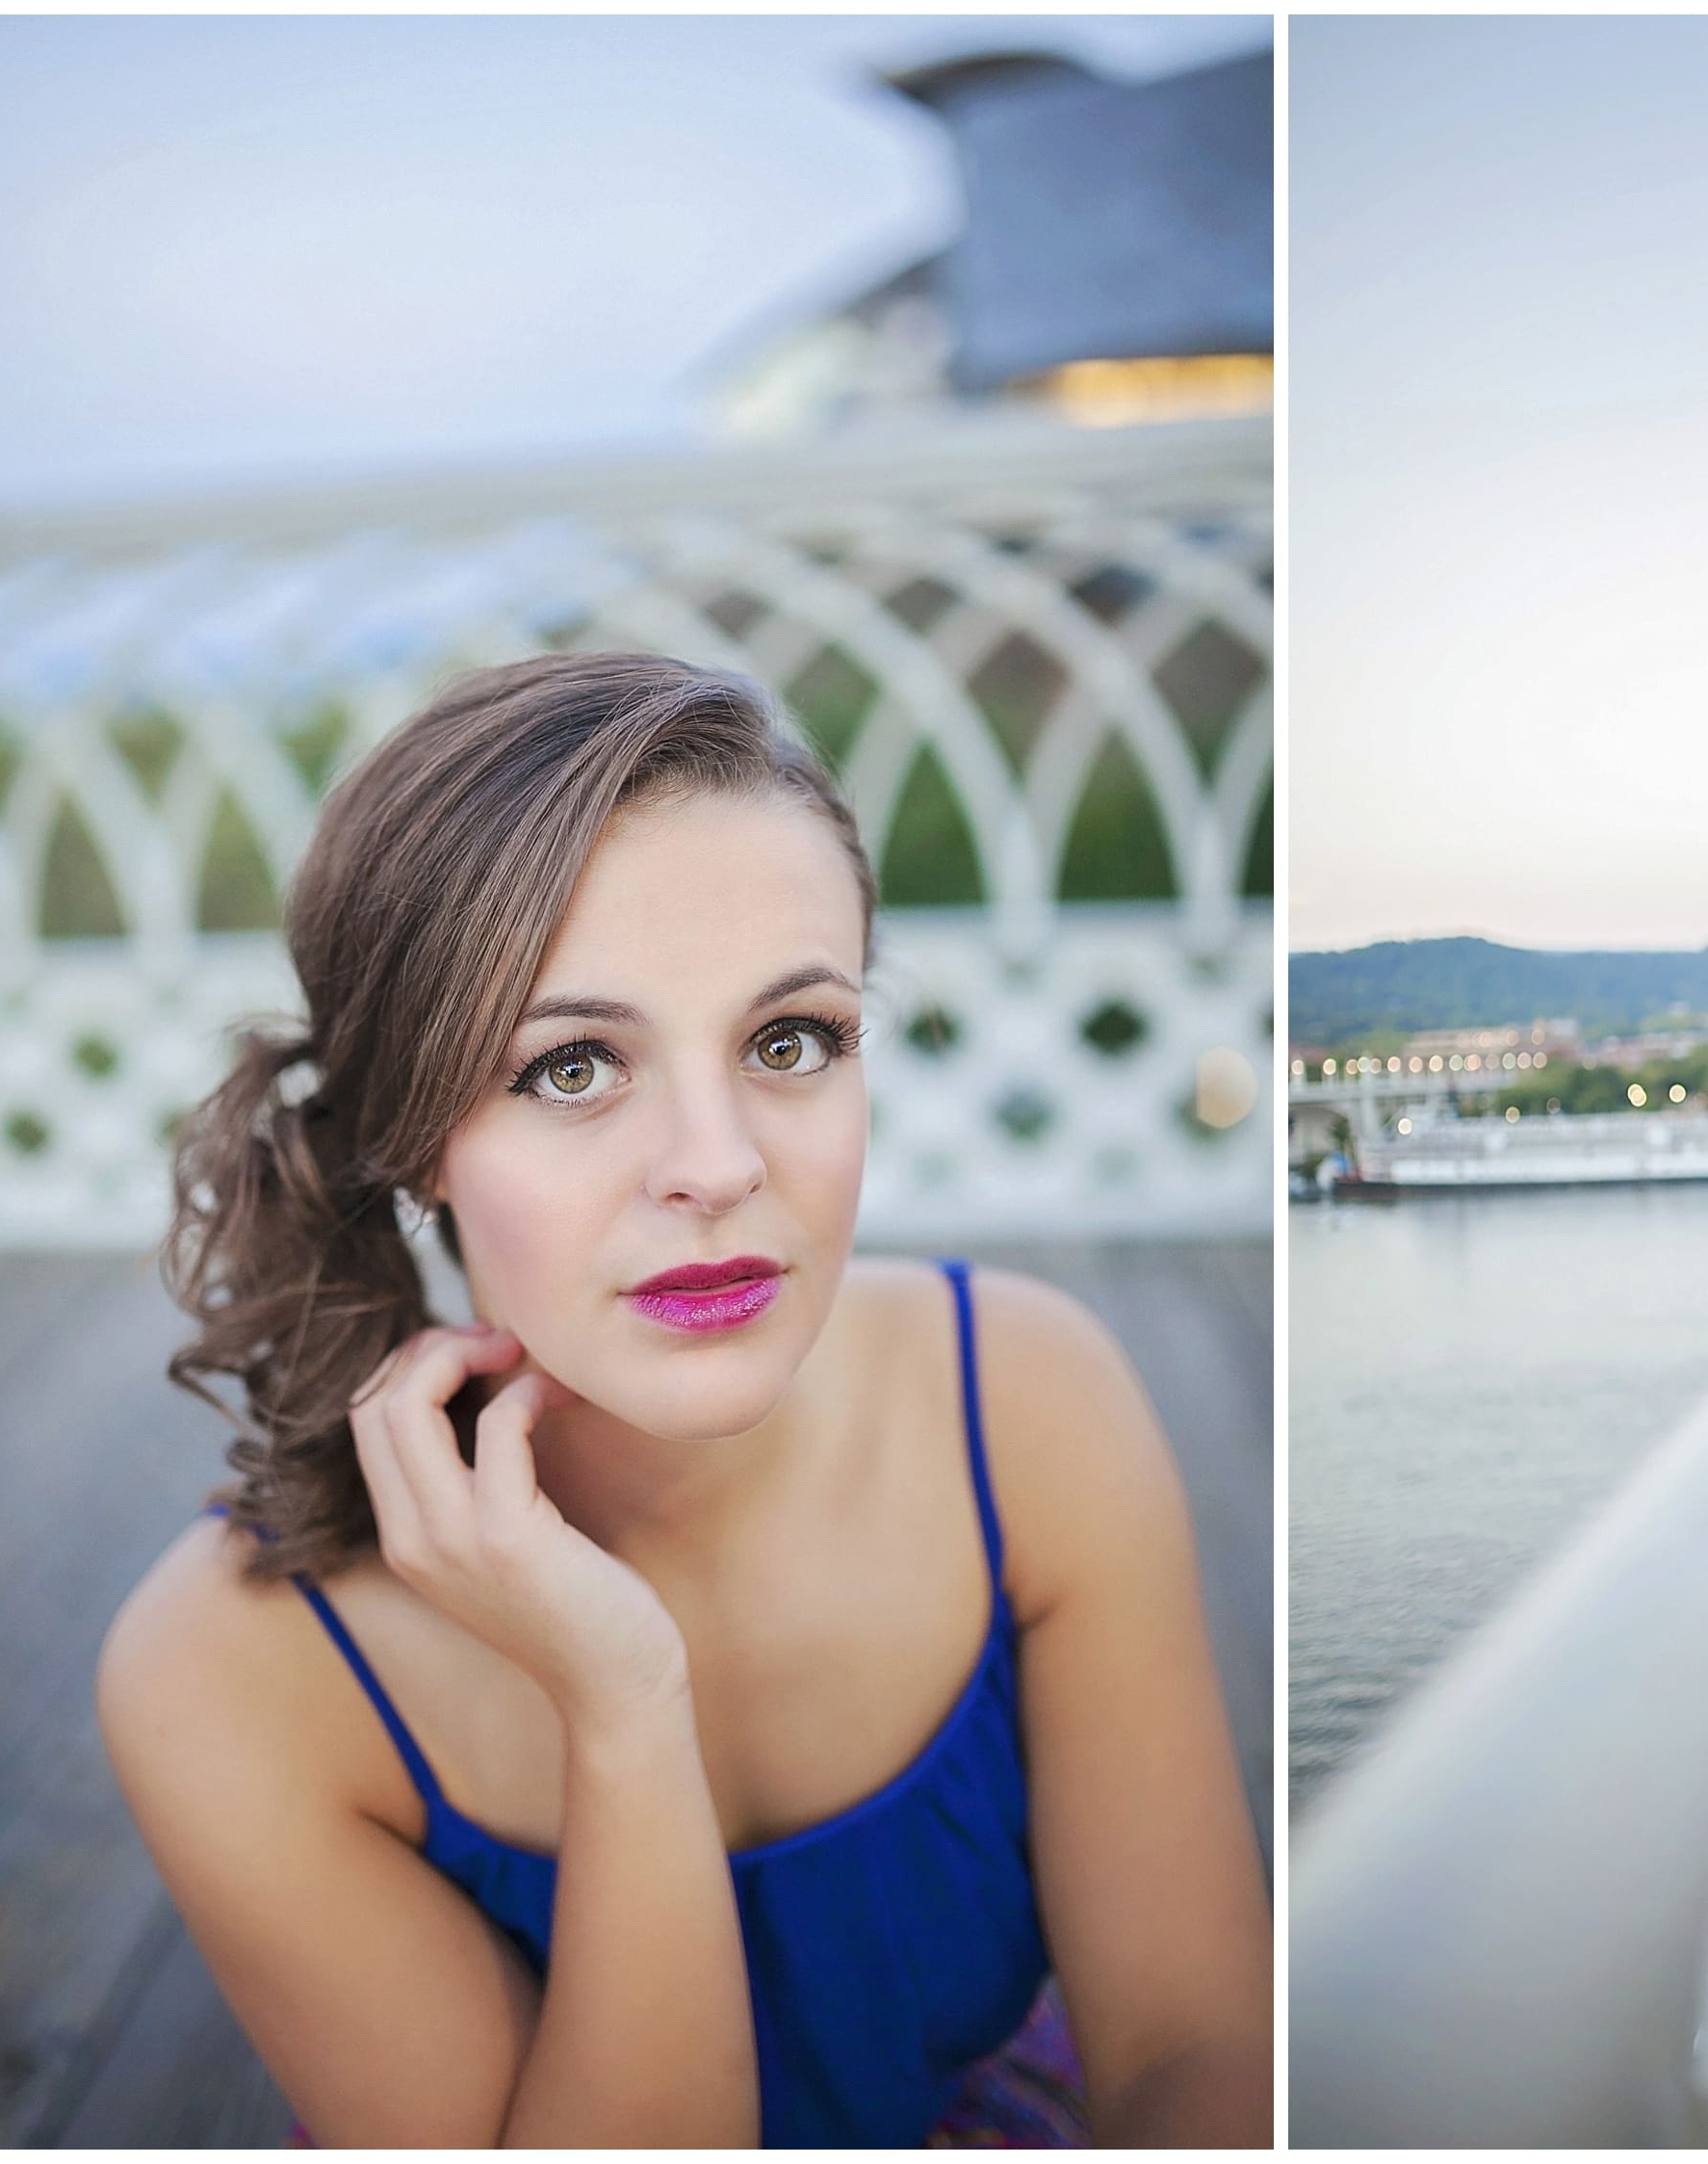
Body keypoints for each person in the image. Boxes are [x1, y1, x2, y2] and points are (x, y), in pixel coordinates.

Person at [95, 653, 1273, 2146]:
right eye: (575, 1064)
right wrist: (626, 1706)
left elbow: (1192, 2049)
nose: (715, 1164)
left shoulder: (1028, 1402)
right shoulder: (228, 1672)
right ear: (411, 1137)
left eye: (792, 1041)